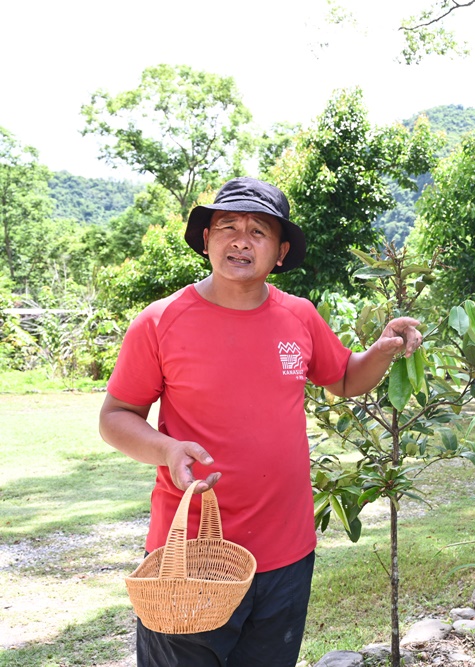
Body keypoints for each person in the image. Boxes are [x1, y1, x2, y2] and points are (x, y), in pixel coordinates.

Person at [98, 177, 421, 667]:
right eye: (226, 226)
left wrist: (382, 349)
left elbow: (346, 379)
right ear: (206, 240)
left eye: (258, 231)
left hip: (286, 553)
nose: (240, 240)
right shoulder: (160, 321)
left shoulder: (300, 316)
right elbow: (116, 417)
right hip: (191, 555)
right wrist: (166, 449)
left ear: (281, 250)